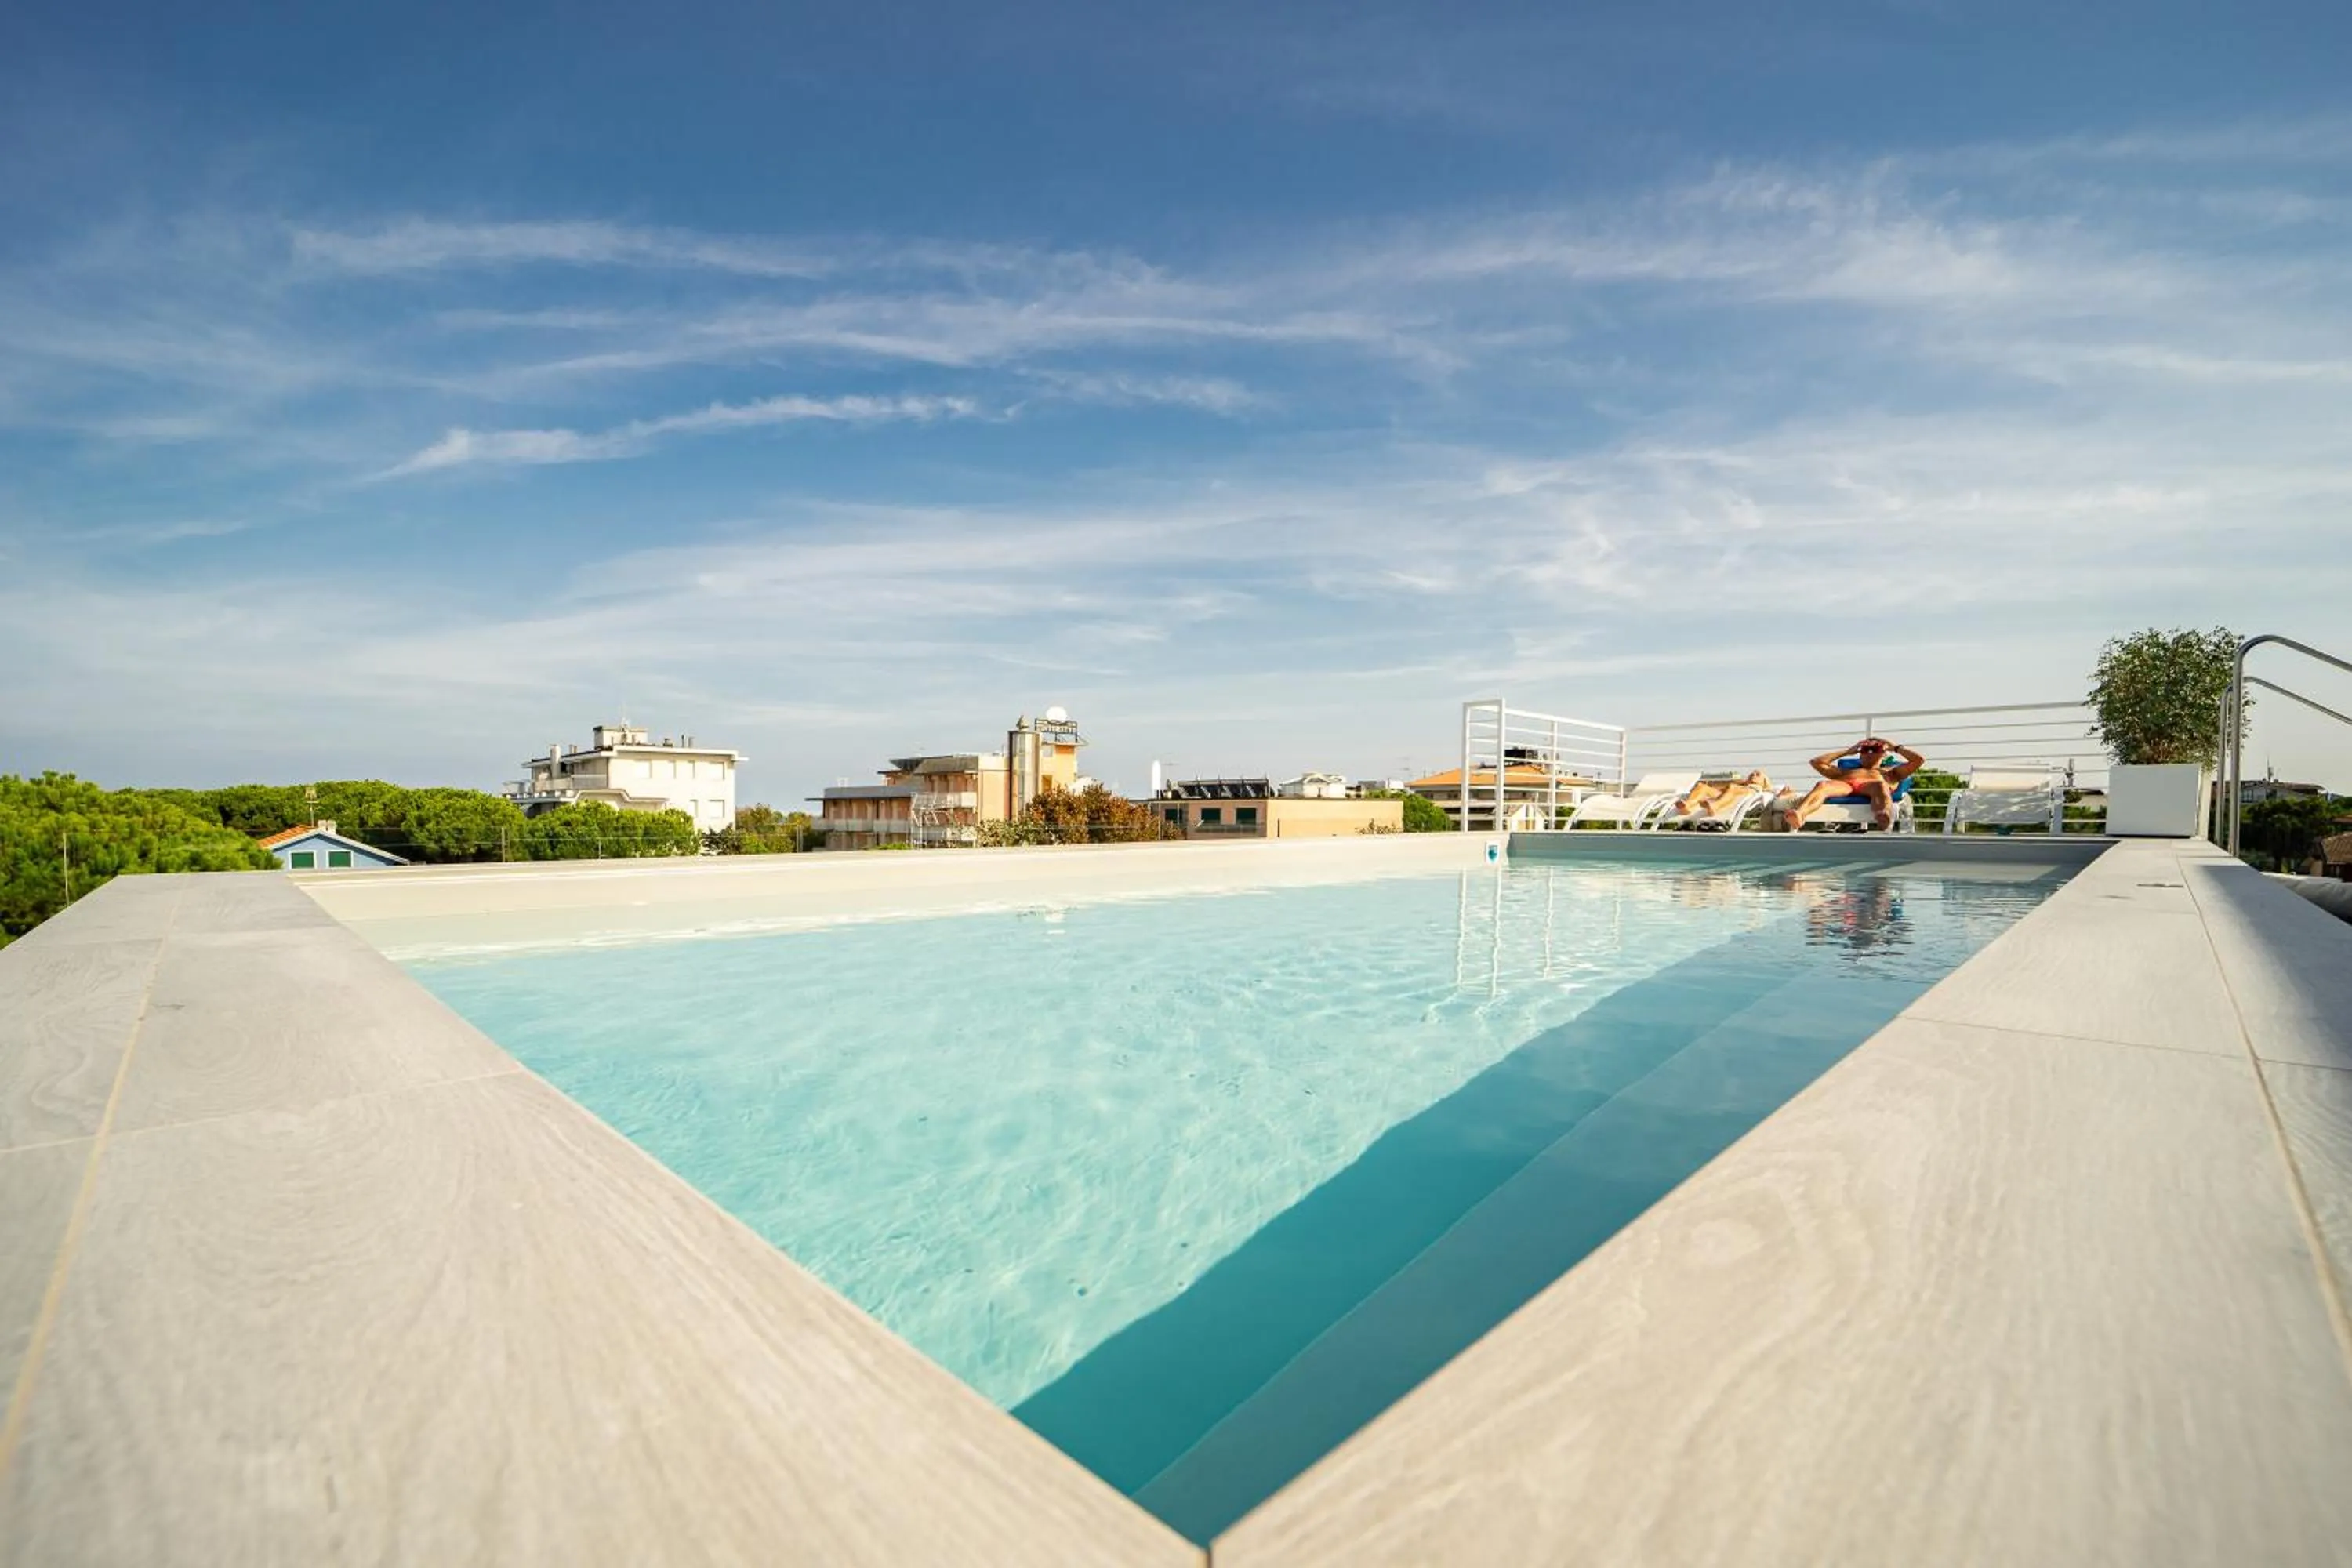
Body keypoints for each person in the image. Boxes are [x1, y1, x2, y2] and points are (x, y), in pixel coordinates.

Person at [1777, 737, 1922, 830]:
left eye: (1875, 749)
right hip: (1846, 785)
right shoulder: (1847, 771)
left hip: (1873, 786)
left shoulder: (1891, 771)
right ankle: (1800, 815)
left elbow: (1918, 760)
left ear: (1883, 754)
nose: (1870, 753)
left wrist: (1894, 747)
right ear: (1860, 753)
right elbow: (1816, 763)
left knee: (1881, 785)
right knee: (1823, 785)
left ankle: (1883, 816)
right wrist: (1847, 752)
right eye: (1866, 750)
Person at [1665, 770, 1772, 826]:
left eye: (1758, 774)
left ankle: (1715, 807)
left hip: (1745, 794)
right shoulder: (1738, 784)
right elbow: (1721, 788)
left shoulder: (1759, 790)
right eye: (1752, 773)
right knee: (1702, 786)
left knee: (1732, 788)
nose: (1753, 774)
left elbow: (1772, 794)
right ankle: (1687, 805)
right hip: (1729, 794)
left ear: (1764, 782)